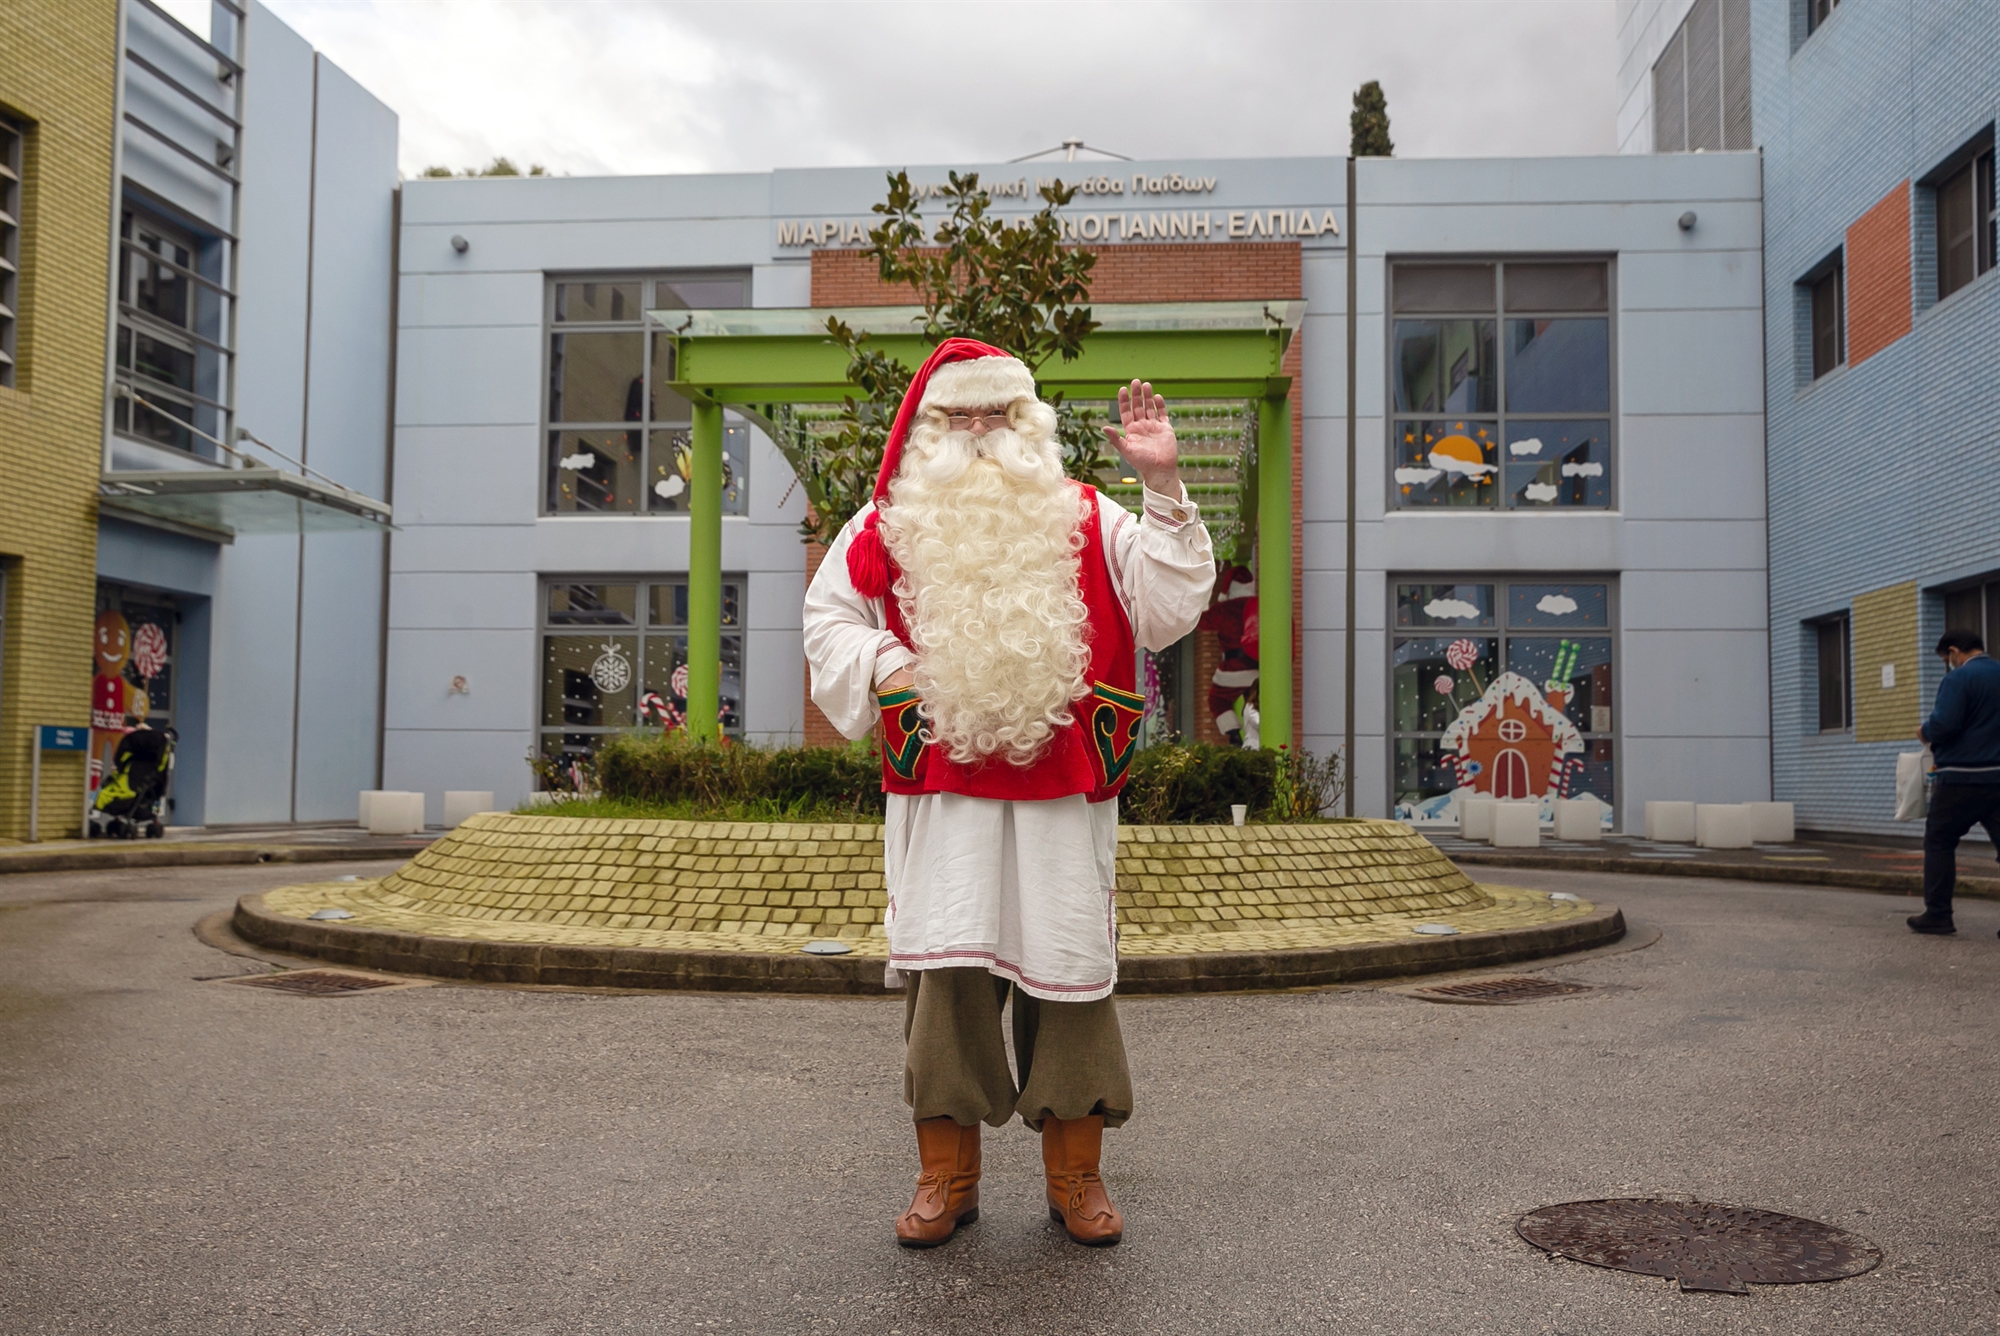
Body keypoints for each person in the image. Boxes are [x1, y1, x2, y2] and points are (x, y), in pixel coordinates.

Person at [803, 339, 1214, 1248]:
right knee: (947, 983)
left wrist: (1164, 483)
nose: (980, 435)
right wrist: (885, 662)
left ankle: (1078, 1177)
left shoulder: (1091, 516)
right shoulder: (883, 526)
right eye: (959, 417)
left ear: (1030, 424)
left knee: (1070, 980)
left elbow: (1169, 606)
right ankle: (945, 1178)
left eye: (998, 415)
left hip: (1066, 801)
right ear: (928, 428)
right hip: (942, 803)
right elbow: (827, 620)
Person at [1911, 628, 2000, 936]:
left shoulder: (1958, 679)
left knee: (1939, 842)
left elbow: (1945, 722)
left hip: (1960, 778)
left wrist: (1926, 731)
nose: (1948, 664)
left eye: (1946, 658)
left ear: (1954, 652)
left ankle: (1938, 914)